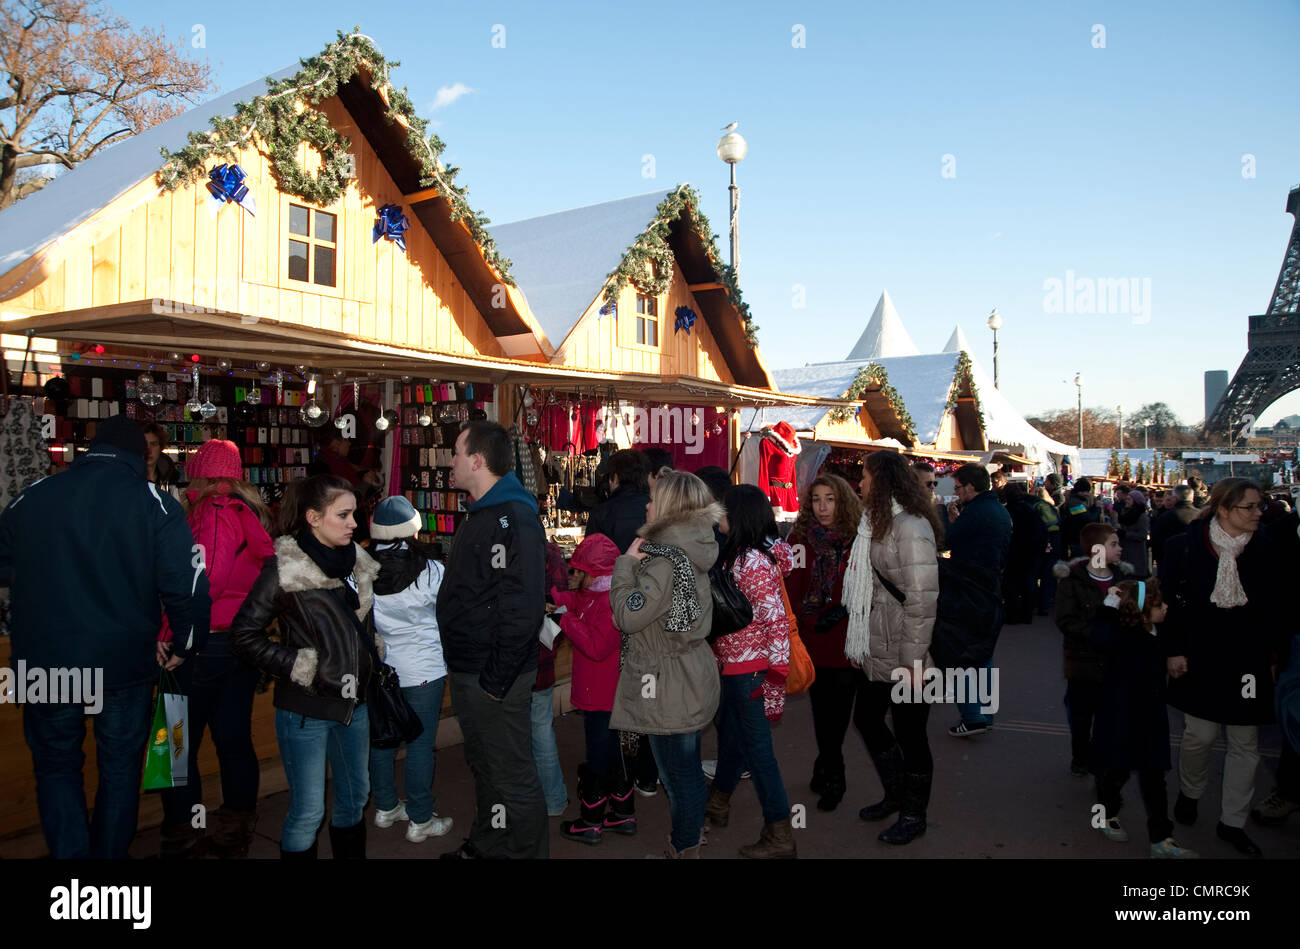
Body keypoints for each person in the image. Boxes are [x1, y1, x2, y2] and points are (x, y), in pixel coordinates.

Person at [0, 415, 211, 859]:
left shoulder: (35, 495)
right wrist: (186, 643)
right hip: (121, 661)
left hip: (47, 662)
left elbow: (5, 564)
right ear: (140, 455)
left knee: (57, 768)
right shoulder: (153, 502)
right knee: (119, 769)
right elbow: (184, 584)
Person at [230, 474, 379, 858]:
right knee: (309, 811)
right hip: (306, 709)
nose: (353, 524)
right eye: (343, 515)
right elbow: (244, 634)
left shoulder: (358, 563)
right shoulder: (286, 567)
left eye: (354, 515)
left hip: (354, 705)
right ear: (314, 518)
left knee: (354, 797)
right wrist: (301, 664)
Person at [436, 421, 547, 859]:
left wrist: (495, 680)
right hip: (474, 670)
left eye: (457, 453)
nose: (451, 461)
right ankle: (487, 844)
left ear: (477, 461)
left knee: (512, 774)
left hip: (492, 676)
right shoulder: (484, 511)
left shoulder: (513, 516)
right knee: (486, 768)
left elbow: (522, 609)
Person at [158, 439, 273, 860]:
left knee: (174, 742)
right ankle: (234, 826)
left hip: (200, 646)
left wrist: (172, 636)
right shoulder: (248, 513)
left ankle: (184, 832)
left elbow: (203, 584)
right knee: (233, 739)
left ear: (202, 472)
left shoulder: (213, 512)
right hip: (235, 644)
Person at [1159, 478, 1280, 858]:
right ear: (1224, 509)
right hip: (1200, 655)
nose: (1259, 512)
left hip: (1249, 660)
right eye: (1250, 506)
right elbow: (1171, 604)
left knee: (1246, 743)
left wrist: (1274, 657)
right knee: (1201, 735)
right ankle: (1191, 792)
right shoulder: (1183, 547)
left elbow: (1279, 606)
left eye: (1260, 505)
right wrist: (1173, 651)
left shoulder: (1267, 548)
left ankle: (1233, 823)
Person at [610, 469, 722, 858]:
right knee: (684, 770)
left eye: (654, 499)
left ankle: (684, 845)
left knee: (677, 776)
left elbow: (627, 615)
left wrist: (625, 565)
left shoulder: (663, 561)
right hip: (687, 673)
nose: (647, 504)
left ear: (670, 509)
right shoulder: (691, 548)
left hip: (667, 682)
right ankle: (691, 833)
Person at [843, 451, 941, 845]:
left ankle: (914, 814)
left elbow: (922, 599)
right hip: (879, 644)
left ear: (882, 481)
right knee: (867, 719)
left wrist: (913, 662)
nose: (860, 483)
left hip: (907, 652)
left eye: (864, 476)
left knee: (911, 735)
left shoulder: (911, 526)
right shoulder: (877, 522)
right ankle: (896, 793)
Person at [706, 484, 795, 858]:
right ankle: (719, 803)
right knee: (735, 741)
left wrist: (774, 679)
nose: (716, 518)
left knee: (759, 754)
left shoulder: (752, 562)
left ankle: (779, 836)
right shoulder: (744, 555)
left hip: (752, 671)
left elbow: (775, 621)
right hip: (738, 668)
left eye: (722, 511)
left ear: (738, 516)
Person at [366, 496, 453, 844]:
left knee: (383, 739)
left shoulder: (361, 569)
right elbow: (448, 616)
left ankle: (386, 806)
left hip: (382, 670)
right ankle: (420, 818)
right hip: (425, 669)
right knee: (419, 744)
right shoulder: (432, 570)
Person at [1090, 579, 1197, 857]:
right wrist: (1109, 606)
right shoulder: (1122, 635)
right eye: (1159, 604)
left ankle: (1161, 837)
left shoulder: (1158, 632)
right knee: (1116, 771)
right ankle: (1106, 812)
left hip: (1151, 718)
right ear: (1140, 610)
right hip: (1120, 718)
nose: (1166, 607)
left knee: (1154, 776)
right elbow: (1100, 637)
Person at [785, 474, 862, 812]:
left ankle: (831, 770)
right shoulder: (799, 540)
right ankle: (832, 770)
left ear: (841, 500)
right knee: (822, 712)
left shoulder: (859, 538)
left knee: (840, 714)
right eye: (817, 499)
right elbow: (792, 591)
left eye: (830, 498)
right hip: (815, 639)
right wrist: (813, 620)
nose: (823, 506)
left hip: (848, 640)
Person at [553, 533, 628, 845]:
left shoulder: (611, 604)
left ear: (593, 574)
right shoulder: (597, 595)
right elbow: (576, 601)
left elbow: (597, 646)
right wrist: (555, 600)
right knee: (612, 753)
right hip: (601, 692)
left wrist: (566, 621)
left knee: (599, 755)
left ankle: (591, 820)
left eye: (578, 571)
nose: (573, 576)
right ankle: (624, 814)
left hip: (603, 695)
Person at [1054, 522, 1129, 776]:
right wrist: (1098, 633)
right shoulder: (1072, 581)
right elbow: (1065, 620)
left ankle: (1103, 757)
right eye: (1114, 544)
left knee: (1111, 715)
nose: (1120, 548)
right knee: (1082, 715)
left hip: (1115, 660)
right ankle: (1081, 756)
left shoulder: (1123, 578)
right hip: (1082, 662)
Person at [943, 463, 1011, 736]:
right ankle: (985, 711)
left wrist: (953, 524)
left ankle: (972, 715)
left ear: (971, 486)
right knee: (985, 652)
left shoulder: (976, 512)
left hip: (969, 589)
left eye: (958, 487)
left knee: (960, 652)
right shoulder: (999, 511)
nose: (957, 492)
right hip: (991, 587)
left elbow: (948, 540)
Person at [585, 448, 652, 554]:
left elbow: (591, 559)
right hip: (651, 569)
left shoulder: (601, 513)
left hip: (615, 569)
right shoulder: (656, 508)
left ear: (615, 478)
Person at [1001, 481, 1045, 625]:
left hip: (1013, 552)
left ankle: (1012, 615)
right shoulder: (1031, 509)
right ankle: (1027, 615)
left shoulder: (1007, 511)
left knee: (1011, 585)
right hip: (1030, 552)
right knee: (1028, 584)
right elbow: (1041, 530)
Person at [1033, 485, 1065, 616]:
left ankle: (1038, 603)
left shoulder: (1035, 507)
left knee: (1037, 574)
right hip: (1054, 544)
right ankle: (1046, 604)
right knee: (1049, 576)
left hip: (1042, 545)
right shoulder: (1052, 508)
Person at [1150, 485, 1197, 566]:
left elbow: (1156, 541)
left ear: (1174, 498)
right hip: (1196, 562)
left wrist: (1160, 561)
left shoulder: (1166, 517)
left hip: (1170, 561)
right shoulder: (1201, 515)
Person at [1061, 477, 1103, 559]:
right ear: (1081, 491)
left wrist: (1094, 507)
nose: (1088, 494)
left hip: (1079, 539)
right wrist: (1097, 509)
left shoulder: (1078, 501)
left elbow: (1085, 515)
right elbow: (1088, 519)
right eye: (1086, 492)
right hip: (1076, 540)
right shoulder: (1074, 503)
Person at [141, 422, 182, 500]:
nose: (148, 450)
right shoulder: (128, 478)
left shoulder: (170, 476)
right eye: (144, 444)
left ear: (161, 447)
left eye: (153, 444)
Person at [1117, 488, 1151, 578]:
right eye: (1126, 499)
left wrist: (1126, 534)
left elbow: (1142, 535)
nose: (1126, 501)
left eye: (1129, 499)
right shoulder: (1125, 513)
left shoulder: (1141, 516)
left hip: (1136, 553)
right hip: (1124, 551)